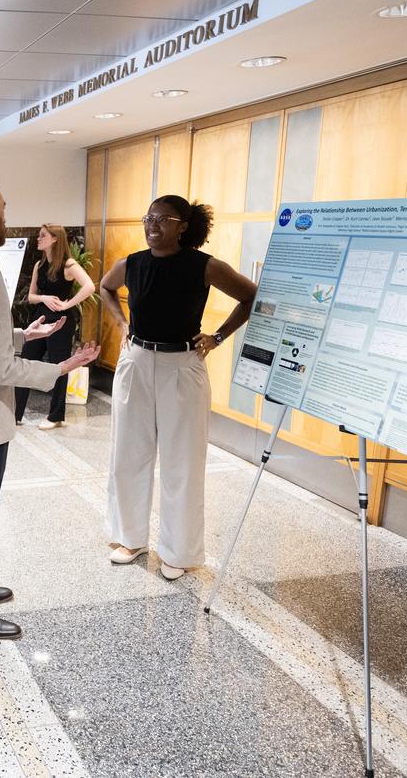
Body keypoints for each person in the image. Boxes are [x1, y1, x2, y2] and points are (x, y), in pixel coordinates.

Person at [0, 175, 98, 640]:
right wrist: (62, 365)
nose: (6, 215)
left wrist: (26, 335)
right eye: (3, 207)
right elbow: (0, 370)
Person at [100, 195, 256, 581]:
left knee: (181, 461)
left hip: (182, 365)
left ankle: (179, 551)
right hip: (136, 361)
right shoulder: (133, 263)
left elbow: (251, 296)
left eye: (162, 219)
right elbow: (105, 288)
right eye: (148, 218)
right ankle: (129, 537)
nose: (152, 225)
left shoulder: (203, 266)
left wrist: (218, 337)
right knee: (128, 453)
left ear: (183, 225)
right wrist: (122, 323)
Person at [14, 224, 95, 430]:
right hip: (39, 319)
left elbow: (89, 286)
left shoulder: (68, 265)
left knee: (59, 365)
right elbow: (31, 297)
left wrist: (67, 303)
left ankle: (56, 416)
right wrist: (44, 297)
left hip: (61, 322)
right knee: (25, 362)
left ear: (55, 239)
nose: (38, 239)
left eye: (43, 236)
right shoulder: (38, 265)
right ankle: (15, 413)